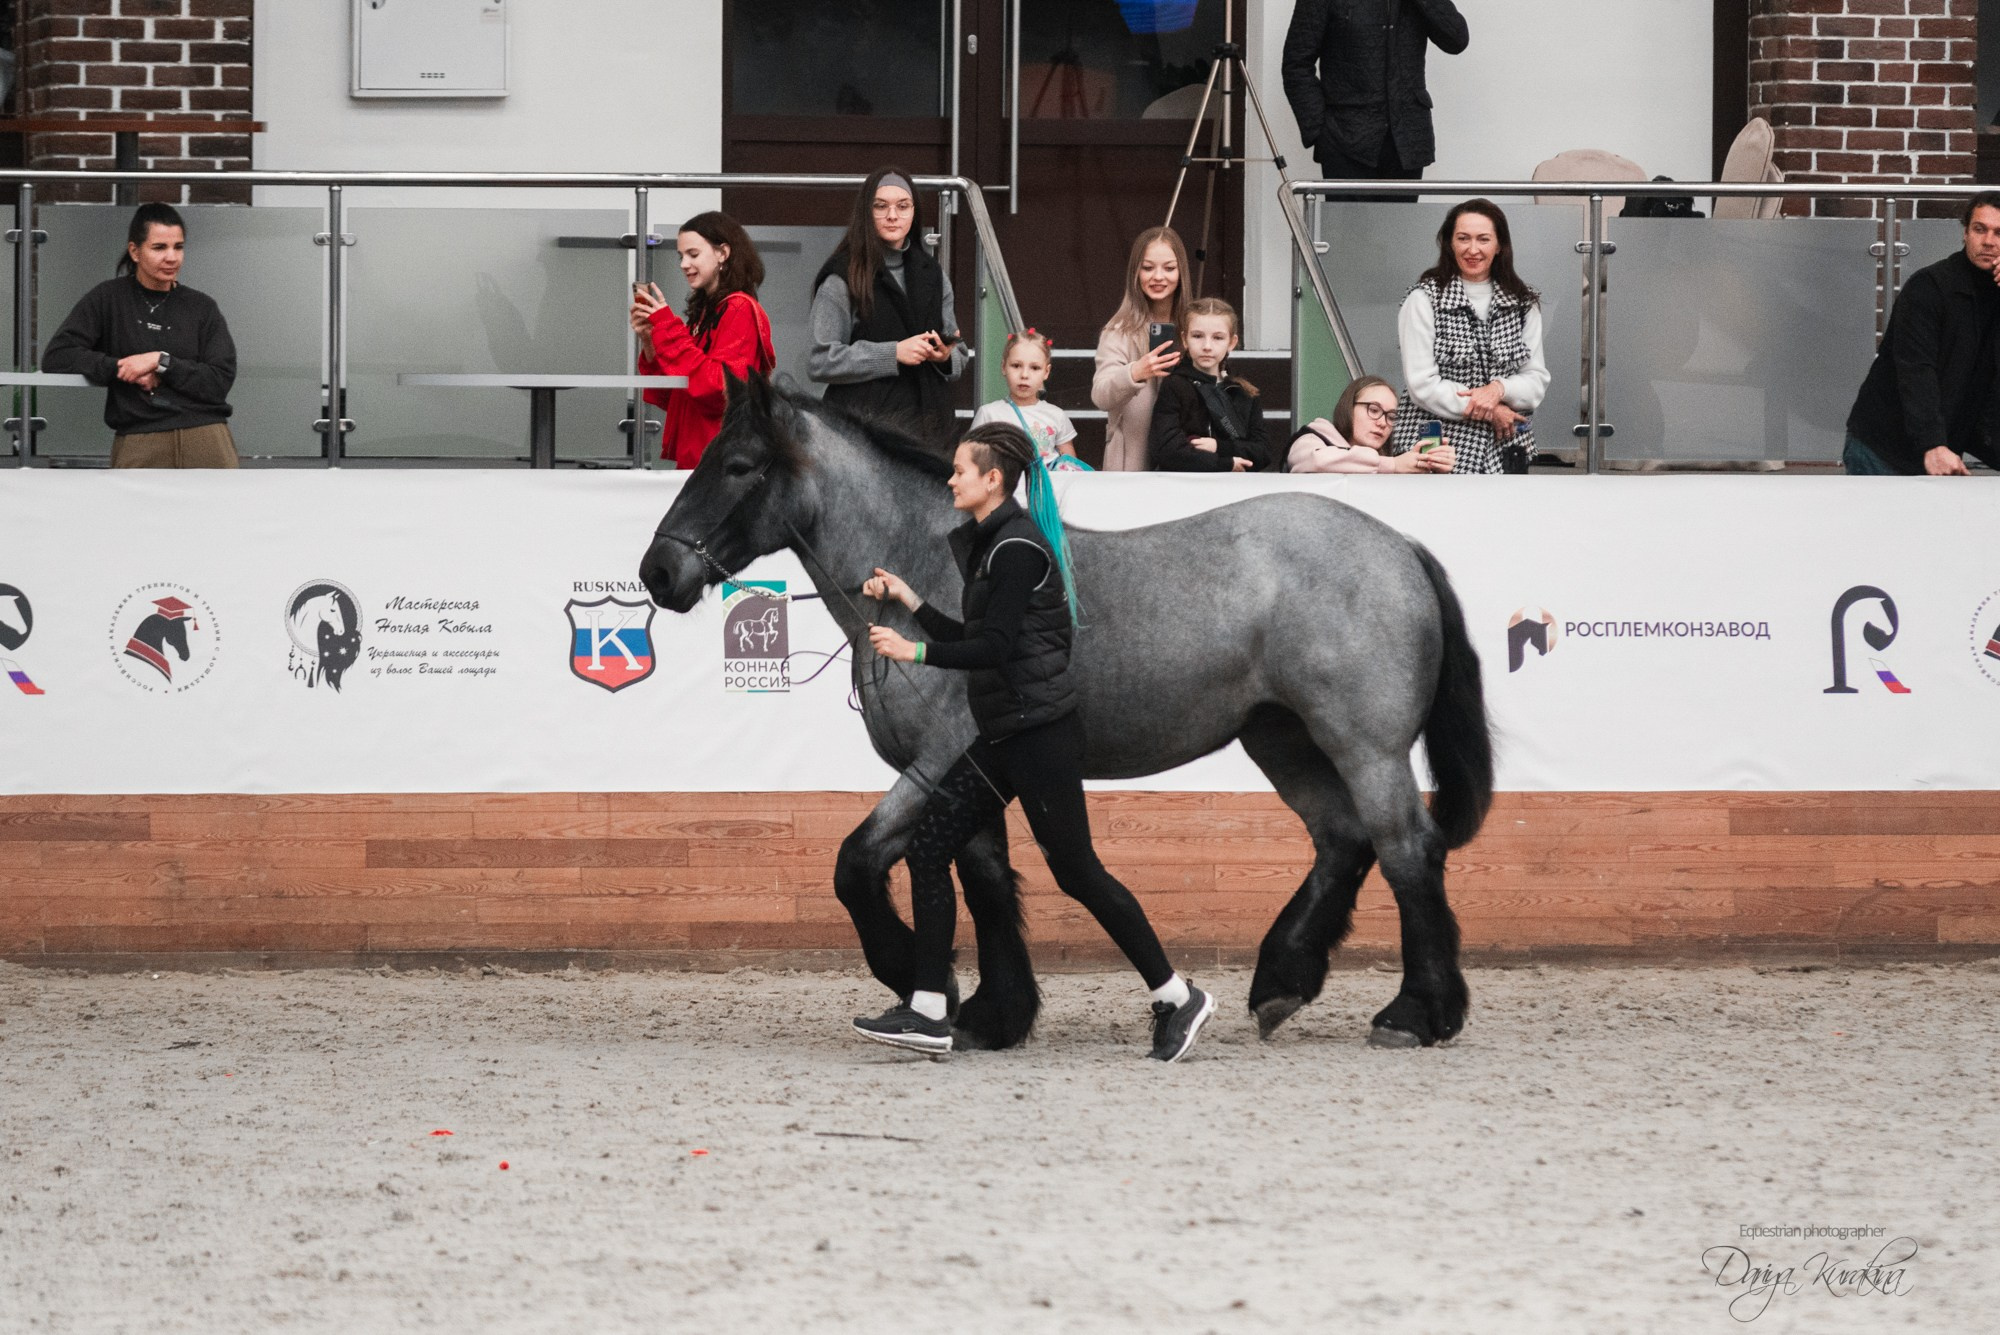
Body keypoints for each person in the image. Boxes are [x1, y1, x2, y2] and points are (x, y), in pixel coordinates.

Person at [853, 421, 1215, 1062]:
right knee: (931, 843)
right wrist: (909, 598)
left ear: (992, 480)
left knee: (1078, 873)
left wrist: (913, 649)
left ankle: (1176, 995)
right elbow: (978, 629)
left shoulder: (1017, 548)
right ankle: (929, 1010)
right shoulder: (997, 544)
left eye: (960, 469)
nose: (950, 479)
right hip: (1006, 734)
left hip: (1038, 737)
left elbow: (991, 649)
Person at [43, 202, 238, 468]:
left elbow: (219, 380)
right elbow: (58, 356)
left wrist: (161, 361)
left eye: (178, 247)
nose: (172, 257)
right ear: (135, 251)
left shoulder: (202, 307)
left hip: (206, 437)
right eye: (159, 247)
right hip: (140, 439)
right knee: (133, 511)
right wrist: (122, 367)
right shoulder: (108, 298)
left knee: (218, 510)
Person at [808, 166, 967, 448]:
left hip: (931, 432)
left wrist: (944, 356)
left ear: (914, 211)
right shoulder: (842, 276)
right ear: (866, 213)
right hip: (862, 436)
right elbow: (821, 361)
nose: (892, 216)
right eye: (881, 206)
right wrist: (893, 353)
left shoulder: (932, 272)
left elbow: (959, 355)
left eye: (903, 206)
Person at [1387, 199, 1549, 474]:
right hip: (1438, 448)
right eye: (1463, 238)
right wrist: (1491, 410)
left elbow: (1536, 381)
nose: (1472, 249)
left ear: (1499, 246)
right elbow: (1422, 384)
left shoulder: (1524, 302)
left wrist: (1499, 389)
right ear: (1449, 243)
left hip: (1506, 448)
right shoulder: (1423, 299)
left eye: (1483, 239)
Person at [1843, 190, 2000, 475]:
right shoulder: (1930, 287)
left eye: (1999, 233)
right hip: (1884, 448)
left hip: (1942, 449)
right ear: (1965, 233)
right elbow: (1916, 371)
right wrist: (1933, 444)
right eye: (1980, 229)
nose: (1988, 241)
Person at [629, 211, 777, 470]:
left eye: (693, 254)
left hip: (720, 463)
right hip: (704, 459)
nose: (683, 264)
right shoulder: (709, 313)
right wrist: (651, 341)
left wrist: (667, 326)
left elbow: (718, 388)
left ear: (723, 253)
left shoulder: (739, 309)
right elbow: (677, 398)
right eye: (681, 256)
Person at [1281, 0, 1469, 202]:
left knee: (1399, 232)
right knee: (1346, 232)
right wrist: (1320, 131)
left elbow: (1456, 40)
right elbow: (1297, 64)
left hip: (1406, 141)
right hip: (1345, 139)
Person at [1090, 226, 1189, 471]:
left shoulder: (1193, 326)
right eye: (1147, 268)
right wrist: (1136, 372)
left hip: (1185, 461)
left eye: (1169, 268)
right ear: (1135, 272)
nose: (1158, 277)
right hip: (1131, 465)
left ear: (1181, 272)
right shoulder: (1119, 330)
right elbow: (1100, 395)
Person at [1148, 298, 1271, 473]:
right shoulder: (1175, 386)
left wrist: (1219, 447)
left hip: (1234, 489)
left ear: (1232, 343)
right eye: (1197, 336)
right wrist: (1225, 464)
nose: (1207, 346)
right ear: (1184, 339)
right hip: (1183, 490)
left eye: (1218, 338)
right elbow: (1167, 450)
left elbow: (1263, 452)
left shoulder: (1243, 392)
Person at [970, 328, 1089, 471]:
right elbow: (971, 460)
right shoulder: (988, 413)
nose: (1024, 374)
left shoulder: (1057, 415)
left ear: (1046, 372)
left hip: (1046, 490)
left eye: (1035, 368)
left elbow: (1070, 466)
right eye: (1016, 366)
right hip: (1003, 489)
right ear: (1003, 367)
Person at [1289, 373, 1456, 473]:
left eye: (1390, 416)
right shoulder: (1312, 438)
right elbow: (1318, 462)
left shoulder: (1385, 461)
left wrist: (1431, 471)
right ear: (1348, 407)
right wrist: (1393, 465)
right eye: (1374, 410)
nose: (1383, 423)